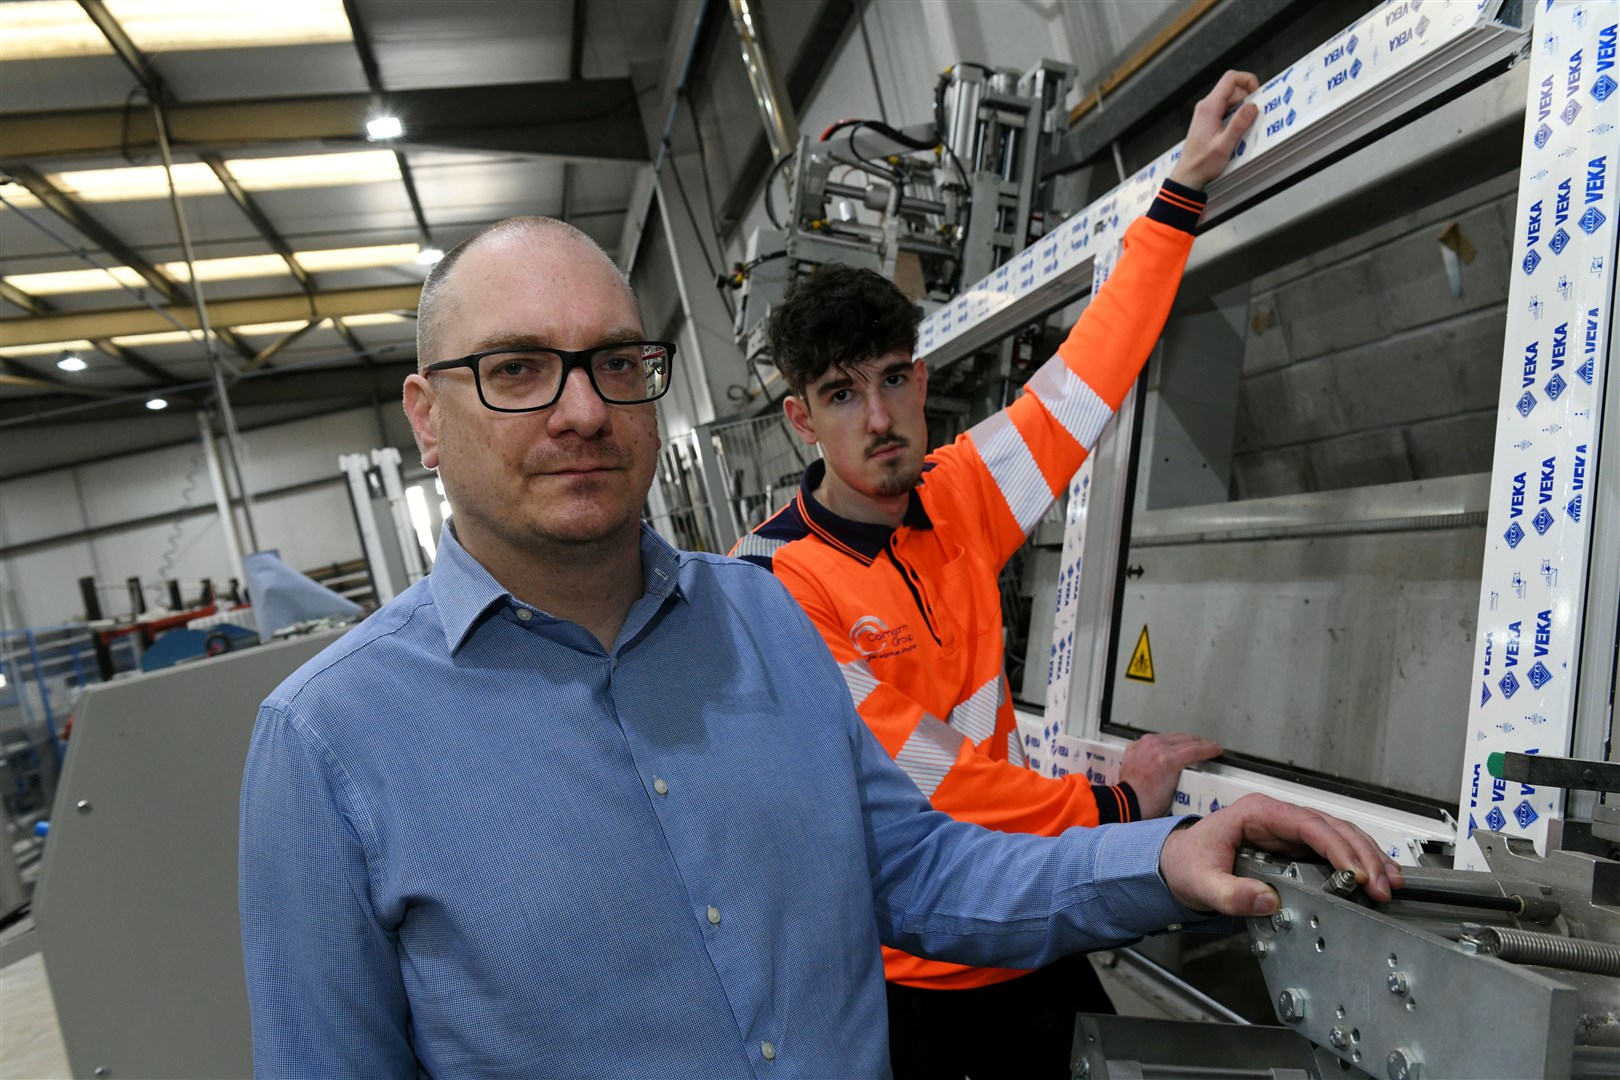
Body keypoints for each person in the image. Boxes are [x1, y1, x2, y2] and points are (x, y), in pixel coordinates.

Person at [238, 210, 1402, 1079]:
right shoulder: (329, 742)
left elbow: (923, 872)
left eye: (616, 364)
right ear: (426, 418)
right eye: (517, 369)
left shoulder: (761, 624)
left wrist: (1161, 859)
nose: (582, 410)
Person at [732, 71, 1258, 1077]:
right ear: (802, 419)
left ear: (922, 379)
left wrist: (1181, 191)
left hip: (1031, 922)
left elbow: (1093, 369)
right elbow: (936, 784)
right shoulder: (779, 591)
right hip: (917, 969)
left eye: (893, 379)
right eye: (843, 395)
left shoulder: (960, 493)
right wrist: (1114, 808)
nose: (878, 418)